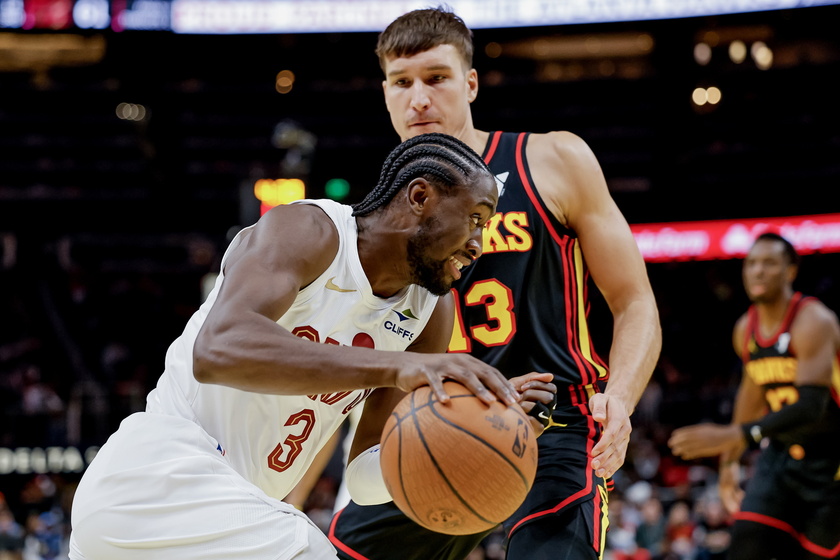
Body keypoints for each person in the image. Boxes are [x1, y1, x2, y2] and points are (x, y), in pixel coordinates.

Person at [67, 132, 559, 560]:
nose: (478, 242)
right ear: (420, 197)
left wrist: (478, 424)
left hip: (234, 516)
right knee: (310, 551)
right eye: (475, 218)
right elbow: (216, 350)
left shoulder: (430, 311)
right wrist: (391, 368)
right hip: (158, 478)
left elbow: (365, 480)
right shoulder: (311, 232)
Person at [328, 7, 662, 560]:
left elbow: (634, 302)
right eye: (401, 83)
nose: (419, 99)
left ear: (471, 83)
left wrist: (620, 400)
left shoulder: (552, 158)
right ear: (385, 93)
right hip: (442, 421)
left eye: (436, 78)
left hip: (556, 421)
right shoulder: (384, 213)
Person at [668, 232, 840, 560]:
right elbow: (751, 394)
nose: (757, 271)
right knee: (746, 544)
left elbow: (812, 407)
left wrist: (737, 435)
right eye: (751, 264)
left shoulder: (813, 321)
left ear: (790, 271)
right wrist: (730, 461)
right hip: (781, 454)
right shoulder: (745, 328)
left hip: (832, 459)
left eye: (769, 263)